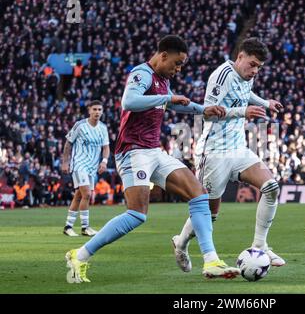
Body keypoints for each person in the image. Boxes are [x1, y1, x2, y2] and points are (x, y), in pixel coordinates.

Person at [65, 35, 240, 283]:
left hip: (153, 150)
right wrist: (168, 98)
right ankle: (79, 255)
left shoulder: (162, 80)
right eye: (177, 63)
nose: (178, 69)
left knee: (199, 194)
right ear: (163, 55)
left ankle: (211, 260)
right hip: (132, 151)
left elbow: (177, 105)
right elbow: (130, 101)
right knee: (137, 215)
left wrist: (203, 109)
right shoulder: (142, 73)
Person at [172, 37, 286, 274]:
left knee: (271, 186)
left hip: (238, 148)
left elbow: (246, 93)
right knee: (210, 214)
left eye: (259, 68)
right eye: (252, 64)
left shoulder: (245, 77)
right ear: (240, 57)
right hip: (214, 152)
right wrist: (243, 112)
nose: (254, 71)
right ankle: (181, 243)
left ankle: (260, 245)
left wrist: (266, 102)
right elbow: (208, 114)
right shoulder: (221, 76)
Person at [61, 100, 110, 237]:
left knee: (79, 196)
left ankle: (68, 227)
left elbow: (106, 148)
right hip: (79, 164)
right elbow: (68, 144)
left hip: (92, 167)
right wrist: (65, 162)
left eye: (99, 109)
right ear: (89, 110)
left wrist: (104, 161)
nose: (97, 112)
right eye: (94, 109)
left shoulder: (103, 128)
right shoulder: (80, 125)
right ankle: (85, 227)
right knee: (87, 194)